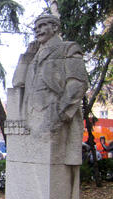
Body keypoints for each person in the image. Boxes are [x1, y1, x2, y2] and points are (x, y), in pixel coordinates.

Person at [12, 14, 88, 167]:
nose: (38, 30)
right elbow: (17, 82)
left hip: (54, 116)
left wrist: (60, 114)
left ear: (54, 27)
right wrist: (27, 56)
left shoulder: (68, 48)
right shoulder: (33, 56)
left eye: (42, 26)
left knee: (52, 171)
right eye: (36, 28)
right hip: (31, 116)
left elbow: (77, 83)